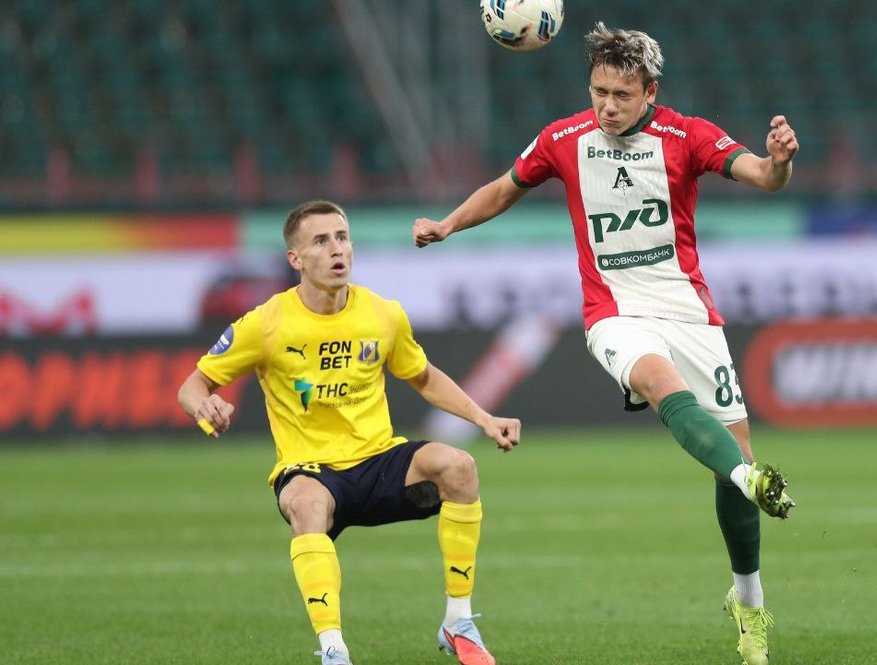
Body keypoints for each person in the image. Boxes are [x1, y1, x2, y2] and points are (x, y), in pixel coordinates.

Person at [412, 22, 798, 665]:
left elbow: (761, 175)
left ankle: (748, 601)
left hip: (690, 313)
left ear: (651, 92)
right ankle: (748, 476)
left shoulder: (687, 135)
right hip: (613, 313)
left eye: (622, 95)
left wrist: (780, 162)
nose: (608, 107)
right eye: (599, 92)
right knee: (657, 382)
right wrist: (448, 224)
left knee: (731, 473)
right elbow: (505, 188)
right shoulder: (563, 140)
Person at [179, 199, 519, 665]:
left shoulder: (383, 314)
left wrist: (483, 418)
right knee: (306, 504)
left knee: (459, 466)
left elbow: (422, 376)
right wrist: (206, 406)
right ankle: (333, 650)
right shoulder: (265, 323)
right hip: (311, 470)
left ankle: (458, 622)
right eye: (320, 241)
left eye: (342, 237)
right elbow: (192, 386)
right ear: (296, 258)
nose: (337, 249)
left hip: (378, 461)